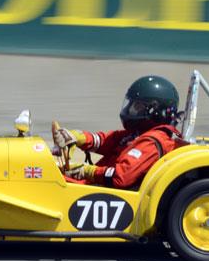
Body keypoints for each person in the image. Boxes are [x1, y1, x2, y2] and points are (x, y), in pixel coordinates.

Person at [53, 75, 185, 189]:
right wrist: (77, 137)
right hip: (93, 189)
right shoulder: (138, 134)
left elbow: (121, 177)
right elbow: (107, 140)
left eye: (136, 106)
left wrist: (88, 171)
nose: (129, 110)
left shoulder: (151, 142)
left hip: (103, 193)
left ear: (154, 111)